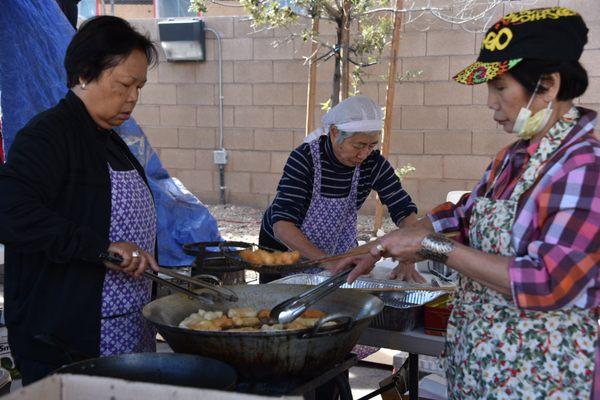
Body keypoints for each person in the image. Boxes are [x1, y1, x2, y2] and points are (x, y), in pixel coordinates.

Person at [338, 7, 600, 399]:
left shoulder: (584, 166)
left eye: (501, 88)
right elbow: (461, 216)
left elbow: (548, 281)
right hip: (483, 366)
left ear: (548, 84)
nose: (491, 104)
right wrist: (377, 249)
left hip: (541, 377)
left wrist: (429, 247)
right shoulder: (512, 157)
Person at [0, 16, 159, 385]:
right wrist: (99, 248)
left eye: (140, 87)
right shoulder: (48, 135)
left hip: (128, 331)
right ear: (85, 74)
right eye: (124, 84)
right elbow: (9, 211)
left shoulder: (111, 140)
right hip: (69, 344)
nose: (133, 97)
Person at [259, 95, 419, 282]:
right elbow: (283, 225)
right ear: (335, 133)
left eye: (371, 145)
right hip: (284, 251)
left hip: (337, 247)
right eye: (358, 145)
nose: (364, 153)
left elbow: (404, 210)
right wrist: (329, 262)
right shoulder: (304, 159)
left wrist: (409, 258)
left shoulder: (373, 164)